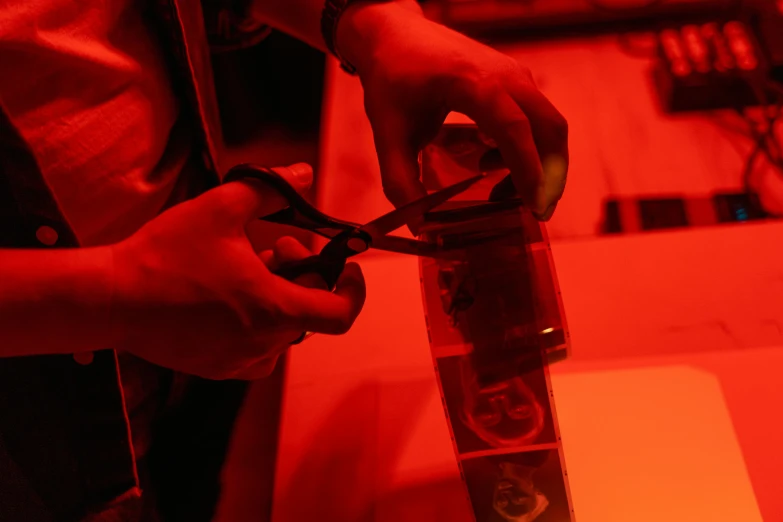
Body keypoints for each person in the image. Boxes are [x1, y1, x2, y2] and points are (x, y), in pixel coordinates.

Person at [0, 0, 569, 520]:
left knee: (190, 494)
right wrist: (111, 295)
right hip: (30, 465)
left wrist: (373, 24)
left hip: (190, 350)